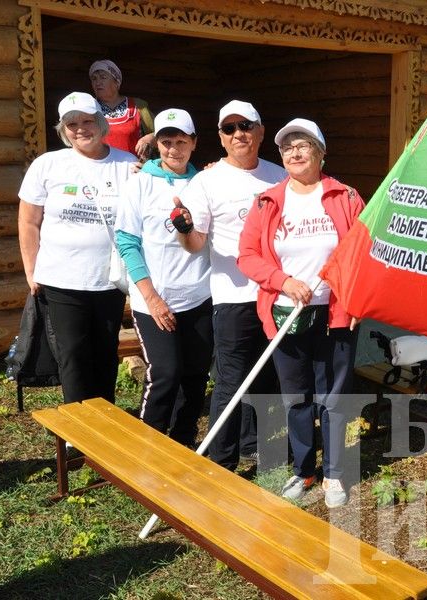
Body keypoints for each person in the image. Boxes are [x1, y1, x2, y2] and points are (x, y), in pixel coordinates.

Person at [237, 118, 365, 508]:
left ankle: (335, 475)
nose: (294, 152)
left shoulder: (345, 197)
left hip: (335, 314)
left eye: (303, 144)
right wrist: (283, 281)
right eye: (287, 146)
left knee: (333, 397)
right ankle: (304, 470)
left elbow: (362, 254)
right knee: (296, 397)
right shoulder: (268, 201)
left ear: (320, 152)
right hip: (285, 314)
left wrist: (357, 299)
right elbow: (247, 255)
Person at [171, 100, 286, 470]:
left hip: (279, 296)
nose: (240, 134)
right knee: (231, 381)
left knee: (272, 379)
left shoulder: (281, 175)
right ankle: (221, 463)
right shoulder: (206, 181)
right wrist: (185, 228)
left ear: (261, 131)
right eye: (230, 128)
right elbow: (195, 245)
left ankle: (269, 458)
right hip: (233, 298)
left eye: (246, 126)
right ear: (221, 138)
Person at [18, 92, 136, 404]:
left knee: (105, 353)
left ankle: (104, 420)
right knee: (73, 354)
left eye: (87, 121)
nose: (81, 128)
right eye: (72, 124)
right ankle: (78, 429)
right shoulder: (48, 164)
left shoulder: (127, 165)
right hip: (61, 279)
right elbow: (28, 222)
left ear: (101, 123)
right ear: (63, 129)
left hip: (109, 278)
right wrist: (32, 272)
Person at [115, 108, 213, 447]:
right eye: (166, 141)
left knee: (196, 375)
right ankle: (149, 446)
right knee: (166, 373)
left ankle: (183, 442)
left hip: (199, 296)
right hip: (153, 299)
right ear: (157, 143)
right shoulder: (140, 183)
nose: (173, 149)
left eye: (181, 141)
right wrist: (152, 298)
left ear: (194, 143)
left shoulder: (205, 182)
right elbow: (127, 242)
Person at [89, 59, 154, 160]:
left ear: (117, 82)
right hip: (100, 168)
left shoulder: (138, 106)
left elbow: (161, 133)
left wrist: (149, 138)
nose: (98, 82)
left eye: (103, 77)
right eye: (94, 79)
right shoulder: (90, 108)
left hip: (133, 168)